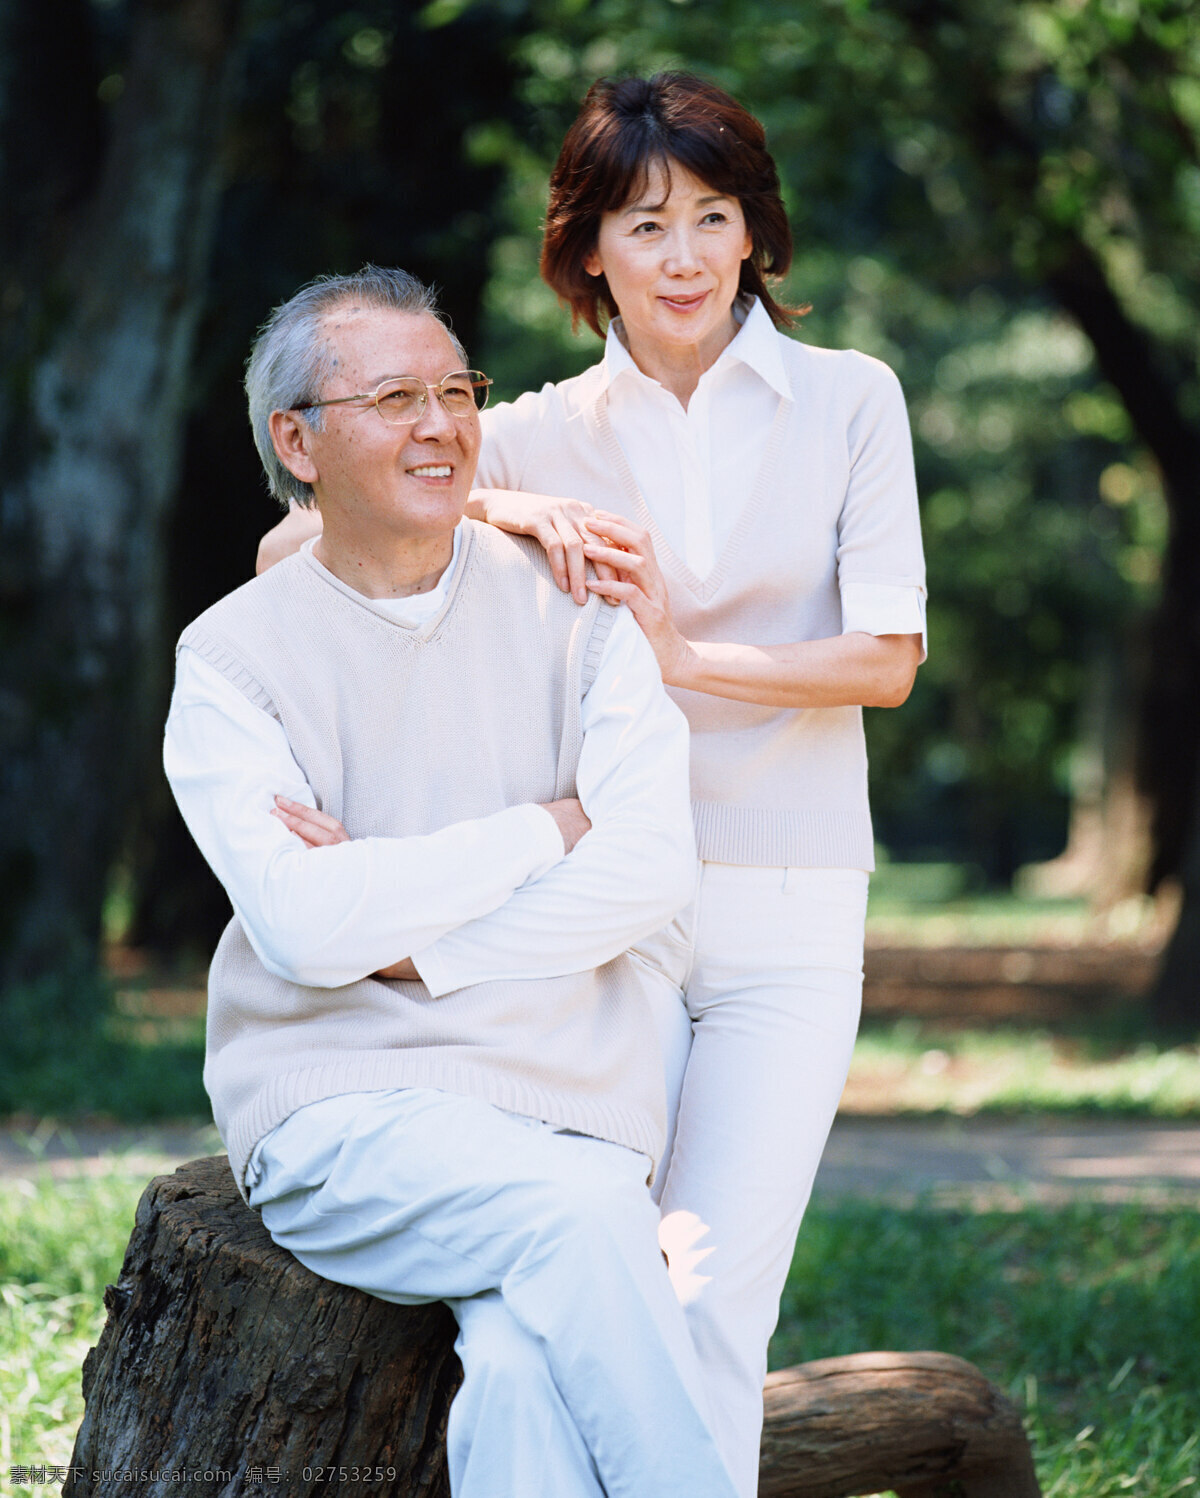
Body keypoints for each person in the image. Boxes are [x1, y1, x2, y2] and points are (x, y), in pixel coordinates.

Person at [260, 73, 926, 1497]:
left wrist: (681, 650)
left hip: (783, 908)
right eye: (644, 224)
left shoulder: (850, 399)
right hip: (594, 925)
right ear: (588, 251)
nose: (681, 257)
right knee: (519, 1323)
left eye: (711, 217)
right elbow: (288, 553)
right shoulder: (534, 431)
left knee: (692, 1301)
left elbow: (881, 661)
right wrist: (501, 502)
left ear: (755, 235)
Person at [164, 265, 738, 1498]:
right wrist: (541, 826)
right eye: (393, 397)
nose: (441, 423)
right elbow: (311, 930)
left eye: (455, 388)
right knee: (581, 1219)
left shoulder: (579, 607)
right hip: (343, 1108)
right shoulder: (230, 661)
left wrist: (421, 941)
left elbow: (647, 869)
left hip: (572, 1089)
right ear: (296, 440)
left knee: (530, 1374)